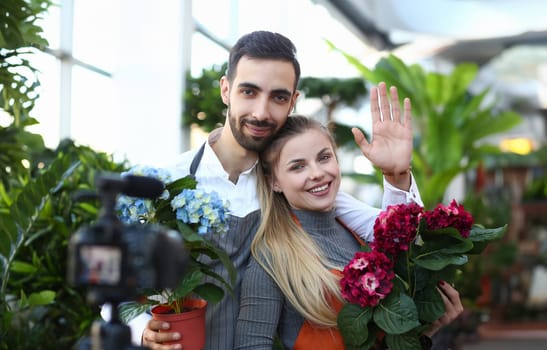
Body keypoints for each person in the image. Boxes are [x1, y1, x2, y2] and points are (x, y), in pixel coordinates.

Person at [128, 30, 423, 350]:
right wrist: (142, 328)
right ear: (226, 90)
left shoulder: (294, 185)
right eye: (249, 92)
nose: (261, 112)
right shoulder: (170, 182)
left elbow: (390, 233)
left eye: (278, 97)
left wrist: (396, 174)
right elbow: (118, 281)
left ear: (293, 101)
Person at [234, 115, 464, 350]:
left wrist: (424, 329)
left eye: (324, 158)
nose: (317, 173)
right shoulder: (272, 257)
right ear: (274, 182)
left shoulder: (358, 233)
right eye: (298, 166)